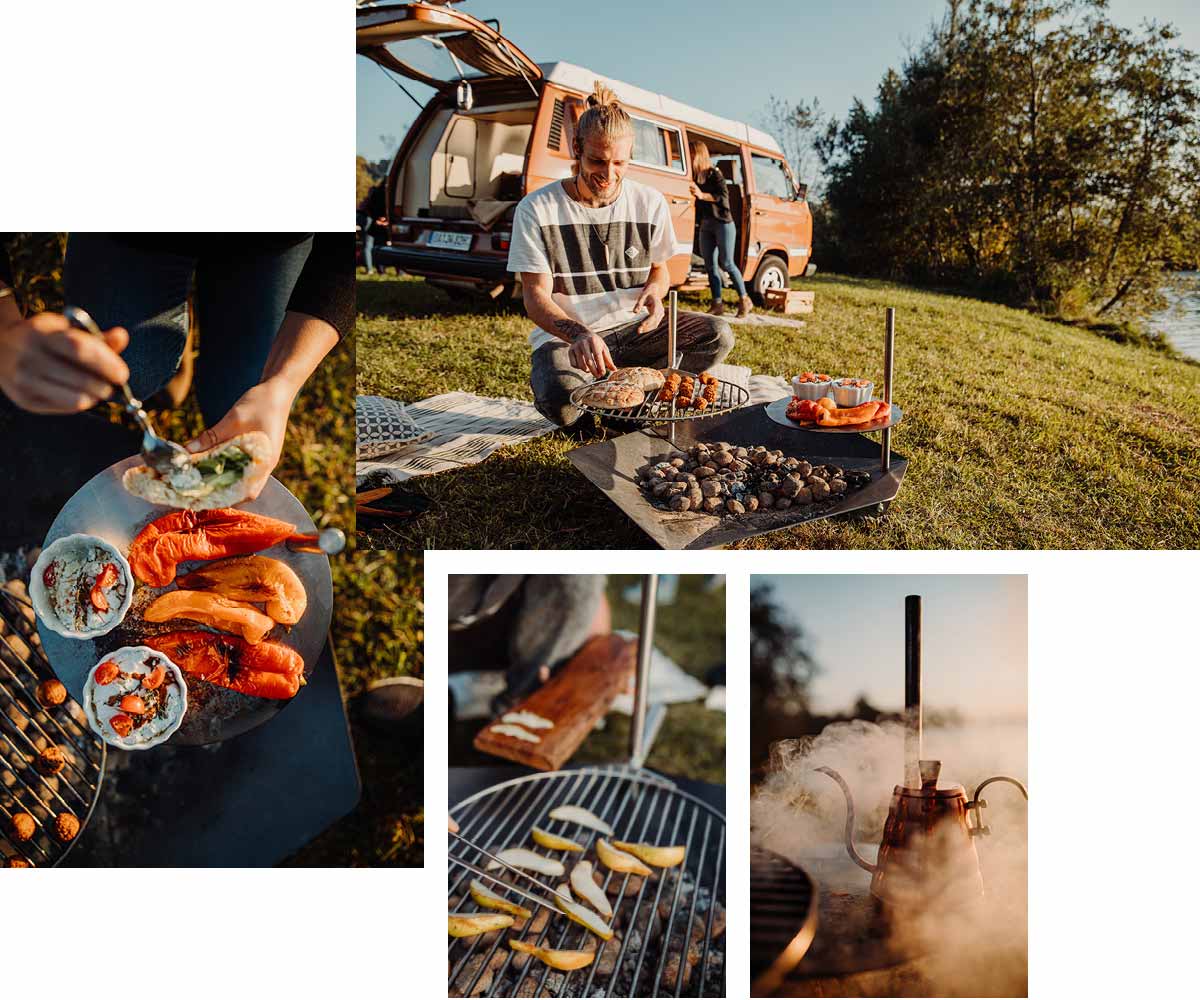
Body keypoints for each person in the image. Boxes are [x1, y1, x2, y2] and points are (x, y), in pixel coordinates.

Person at [0, 233, 352, 498]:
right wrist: (5, 330)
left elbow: (343, 251)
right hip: (136, 229)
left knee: (240, 393)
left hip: (270, 243)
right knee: (130, 367)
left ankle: (179, 321)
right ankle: (173, 331)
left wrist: (282, 384)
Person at [507, 82, 735, 428]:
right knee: (561, 400)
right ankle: (608, 397)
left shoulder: (649, 201)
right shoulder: (537, 208)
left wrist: (655, 295)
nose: (609, 174)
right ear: (576, 148)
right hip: (570, 339)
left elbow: (661, 271)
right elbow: (535, 295)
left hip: (633, 331)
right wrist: (580, 335)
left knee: (718, 333)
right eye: (597, 161)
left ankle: (629, 390)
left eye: (620, 163)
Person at [688, 141, 752, 318]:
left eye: (693, 154)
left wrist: (701, 195)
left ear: (700, 155)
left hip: (723, 223)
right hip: (706, 225)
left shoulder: (715, 174)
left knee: (727, 263)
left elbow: (722, 197)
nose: (691, 157)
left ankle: (744, 299)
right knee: (710, 266)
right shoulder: (696, 177)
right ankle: (717, 304)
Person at [360, 182, 388, 275]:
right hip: (376, 221)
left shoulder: (376, 192)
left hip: (373, 220)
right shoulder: (386, 193)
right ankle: (381, 270)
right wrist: (383, 219)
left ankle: (371, 269)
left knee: (369, 246)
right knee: (378, 245)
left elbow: (369, 207)